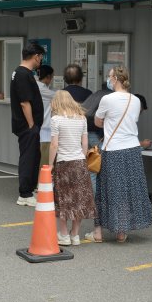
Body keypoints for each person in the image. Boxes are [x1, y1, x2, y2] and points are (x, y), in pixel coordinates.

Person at [85, 66, 152, 243]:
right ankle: (121, 232)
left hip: (112, 149)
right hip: (132, 150)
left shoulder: (107, 99)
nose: (108, 80)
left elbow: (98, 122)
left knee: (106, 190)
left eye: (109, 77)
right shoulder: (136, 100)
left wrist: (109, 121)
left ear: (115, 78)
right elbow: (132, 122)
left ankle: (98, 232)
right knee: (127, 190)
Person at [49, 90, 97, 246]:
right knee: (79, 201)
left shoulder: (56, 120)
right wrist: (82, 159)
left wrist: (50, 165)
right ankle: (75, 235)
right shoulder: (82, 118)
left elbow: (54, 144)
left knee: (63, 201)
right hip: (79, 163)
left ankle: (63, 235)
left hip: (64, 163)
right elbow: (84, 143)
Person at [10, 42, 45, 207]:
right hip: (27, 126)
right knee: (28, 158)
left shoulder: (20, 73)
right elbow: (25, 102)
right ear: (36, 56)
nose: (41, 60)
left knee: (33, 157)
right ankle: (24, 193)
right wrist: (31, 125)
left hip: (26, 125)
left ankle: (28, 191)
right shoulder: (23, 74)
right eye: (41, 57)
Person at [81, 84, 112, 193]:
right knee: (99, 170)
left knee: (91, 168)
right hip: (97, 136)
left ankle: (89, 203)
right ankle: (95, 203)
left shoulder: (96, 95)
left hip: (85, 135)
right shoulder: (109, 97)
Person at [36, 65, 56, 167]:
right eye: (52, 77)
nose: (52, 79)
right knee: (44, 164)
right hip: (44, 133)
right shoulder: (41, 89)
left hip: (41, 131)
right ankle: (41, 183)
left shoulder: (38, 86)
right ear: (48, 77)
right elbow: (58, 95)